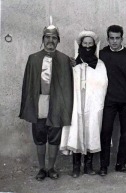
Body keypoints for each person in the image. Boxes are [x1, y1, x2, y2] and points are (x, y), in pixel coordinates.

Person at [19, 19, 73, 181]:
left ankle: (51, 168)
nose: (50, 41)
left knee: (55, 136)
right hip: (39, 102)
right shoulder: (33, 59)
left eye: (54, 38)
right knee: (40, 134)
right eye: (47, 38)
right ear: (42, 40)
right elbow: (28, 83)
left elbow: (69, 83)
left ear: (58, 40)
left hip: (56, 102)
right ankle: (42, 169)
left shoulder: (64, 59)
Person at [60, 30, 108, 178]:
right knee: (76, 131)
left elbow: (103, 84)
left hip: (93, 105)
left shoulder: (99, 64)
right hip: (76, 104)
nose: (87, 47)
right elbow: (67, 82)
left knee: (92, 131)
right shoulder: (73, 62)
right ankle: (76, 166)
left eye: (90, 44)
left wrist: (95, 99)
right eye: (84, 44)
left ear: (94, 46)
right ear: (80, 45)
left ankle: (88, 166)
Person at [98, 25, 126, 176]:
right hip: (108, 101)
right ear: (107, 39)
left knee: (125, 134)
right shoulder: (101, 54)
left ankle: (120, 164)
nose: (114, 41)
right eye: (111, 38)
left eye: (117, 38)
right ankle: (103, 165)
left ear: (122, 38)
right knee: (106, 132)